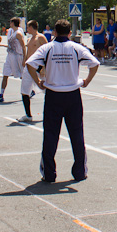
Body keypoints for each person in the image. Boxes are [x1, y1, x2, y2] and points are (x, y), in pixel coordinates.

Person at [25, 20, 99, 183]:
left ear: (55, 33)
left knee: (51, 135)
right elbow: (94, 63)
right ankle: (79, 172)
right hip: (73, 94)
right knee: (77, 134)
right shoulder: (76, 48)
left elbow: (30, 63)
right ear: (69, 33)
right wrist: (87, 81)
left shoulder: (47, 48)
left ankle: (49, 174)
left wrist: (38, 82)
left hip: (53, 94)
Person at [19, 21, 51, 123]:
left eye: (28, 27)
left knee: (47, 90)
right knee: (24, 91)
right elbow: (28, 53)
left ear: (32, 27)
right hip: (29, 67)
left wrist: (44, 67)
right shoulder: (29, 39)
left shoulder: (40, 37)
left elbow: (48, 51)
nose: (27, 29)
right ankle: (28, 115)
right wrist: (24, 60)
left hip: (38, 67)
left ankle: (51, 113)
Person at [0, 18, 26, 102]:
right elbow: (11, 45)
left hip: (17, 56)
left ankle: (29, 91)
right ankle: (1, 94)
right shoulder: (12, 32)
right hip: (10, 56)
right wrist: (0, 44)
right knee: (5, 74)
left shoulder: (18, 33)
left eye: (10, 22)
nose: (9, 23)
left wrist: (24, 58)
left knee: (22, 76)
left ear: (13, 23)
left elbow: (23, 46)